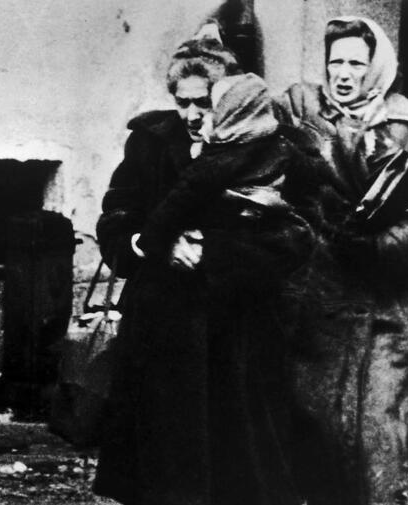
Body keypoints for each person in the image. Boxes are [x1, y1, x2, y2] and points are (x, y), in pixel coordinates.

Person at [93, 33, 330, 505]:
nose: (191, 115)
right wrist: (153, 246)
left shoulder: (272, 146)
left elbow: (300, 234)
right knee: (165, 468)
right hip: (162, 332)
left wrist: (216, 253)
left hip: (240, 331)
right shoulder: (150, 143)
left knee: (238, 467)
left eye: (202, 102)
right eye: (181, 103)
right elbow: (116, 218)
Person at [275, 17, 408, 505]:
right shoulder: (298, 108)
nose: (344, 73)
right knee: (311, 422)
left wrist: (380, 246)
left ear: (378, 68)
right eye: (336, 62)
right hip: (312, 300)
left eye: (357, 62)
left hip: (383, 303)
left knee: (373, 424)